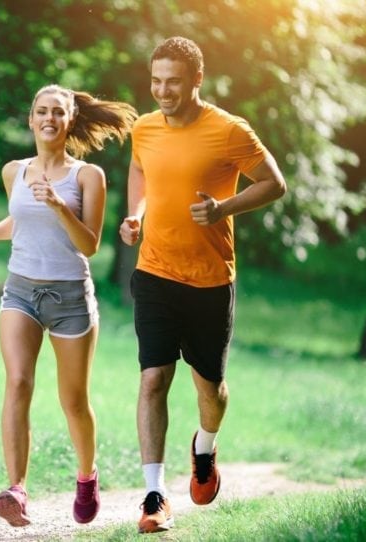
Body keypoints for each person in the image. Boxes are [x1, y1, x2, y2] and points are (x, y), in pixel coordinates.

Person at [118, 36, 287, 534]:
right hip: (154, 271)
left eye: (173, 82)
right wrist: (135, 214)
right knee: (153, 378)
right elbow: (139, 169)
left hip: (211, 280)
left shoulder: (230, 131)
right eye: (155, 81)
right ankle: (154, 494)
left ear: (197, 79)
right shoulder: (144, 128)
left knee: (210, 388)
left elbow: (274, 183)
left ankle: (205, 447)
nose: (163, 92)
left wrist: (222, 209)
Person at [0, 84, 137, 527]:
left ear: (69, 121)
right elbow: (20, 221)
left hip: (69, 298)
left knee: (74, 401)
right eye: (41, 111)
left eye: (58, 112)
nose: (49, 118)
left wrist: (62, 205)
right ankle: (17, 489)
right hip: (20, 289)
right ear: (30, 119)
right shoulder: (14, 171)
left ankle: (86, 477)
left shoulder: (88, 177)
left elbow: (91, 244)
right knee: (19, 381)